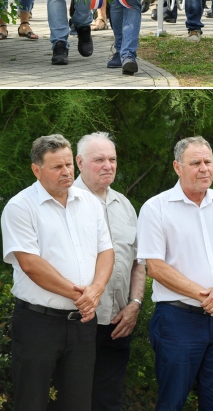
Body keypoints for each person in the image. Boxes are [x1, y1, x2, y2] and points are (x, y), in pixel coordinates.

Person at [136, 136, 213, 410]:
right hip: (178, 320)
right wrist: (207, 296)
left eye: (208, 162)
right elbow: (155, 267)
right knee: (172, 401)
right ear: (177, 167)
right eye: (195, 162)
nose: (204, 168)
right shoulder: (156, 208)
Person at [1, 134, 113, 410]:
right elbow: (30, 264)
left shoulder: (90, 203)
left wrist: (96, 290)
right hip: (38, 323)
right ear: (36, 170)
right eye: (56, 167)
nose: (66, 172)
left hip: (82, 324)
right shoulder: (20, 207)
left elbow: (106, 251)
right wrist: (82, 296)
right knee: (31, 401)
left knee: (78, 403)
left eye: (68, 165)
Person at [74, 133, 145, 411]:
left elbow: (139, 262)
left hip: (117, 322)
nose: (108, 165)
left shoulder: (125, 206)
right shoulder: (67, 202)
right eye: (99, 159)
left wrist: (135, 305)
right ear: (79, 162)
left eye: (112, 159)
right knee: (76, 399)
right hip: (77, 320)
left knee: (109, 401)